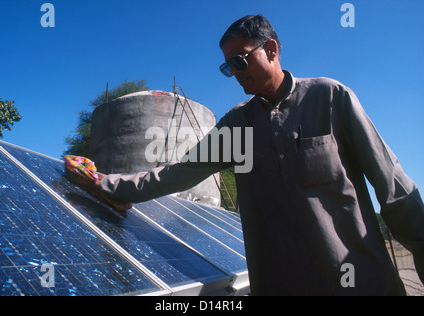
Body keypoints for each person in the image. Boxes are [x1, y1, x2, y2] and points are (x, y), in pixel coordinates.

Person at [96, 15, 424, 295]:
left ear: (271, 49)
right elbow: (178, 173)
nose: (235, 72)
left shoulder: (329, 99)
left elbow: (395, 190)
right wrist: (107, 184)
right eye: (227, 67)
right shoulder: (238, 126)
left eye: (239, 61)